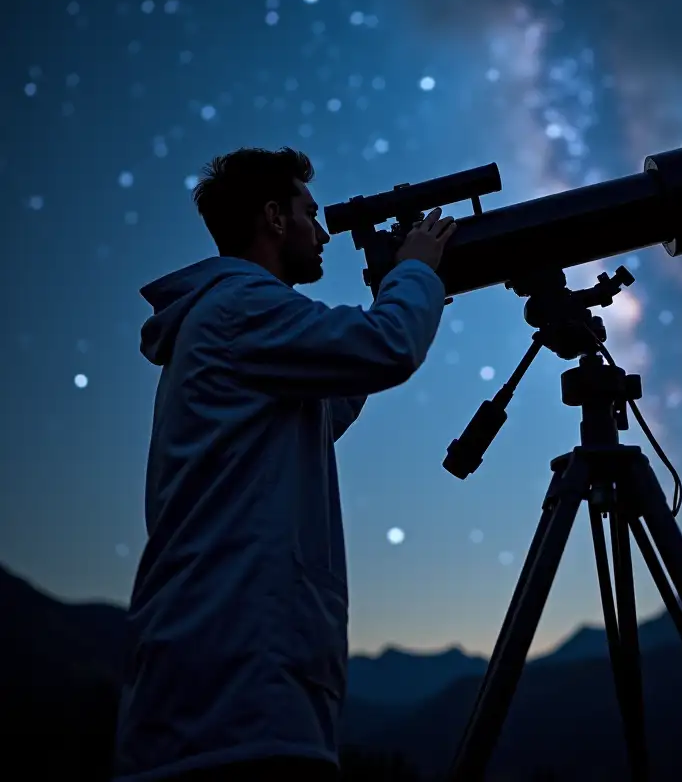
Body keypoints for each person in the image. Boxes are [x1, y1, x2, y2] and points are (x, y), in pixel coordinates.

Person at [111, 147, 457, 782]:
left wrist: (401, 289)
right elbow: (387, 348)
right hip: (236, 685)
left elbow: (330, 402)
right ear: (273, 218)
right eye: (309, 212)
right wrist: (417, 278)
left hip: (234, 676)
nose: (323, 232)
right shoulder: (242, 307)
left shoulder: (234, 320)